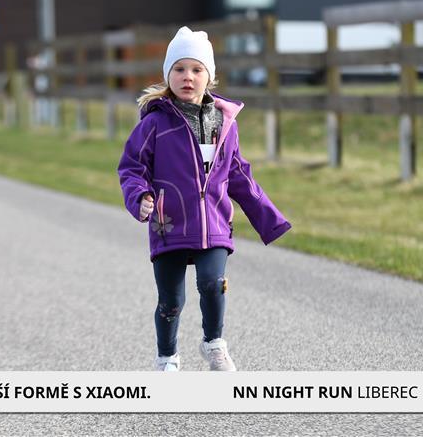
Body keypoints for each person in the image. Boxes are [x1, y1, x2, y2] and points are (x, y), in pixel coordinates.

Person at [118, 27, 292, 371]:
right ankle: (167, 358)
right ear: (168, 75)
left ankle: (214, 343)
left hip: (214, 223)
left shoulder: (224, 124)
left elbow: (239, 174)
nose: (188, 77)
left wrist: (268, 218)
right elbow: (132, 167)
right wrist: (139, 197)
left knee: (213, 284)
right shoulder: (155, 124)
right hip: (169, 224)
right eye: (179, 69)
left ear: (209, 76)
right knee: (171, 301)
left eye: (197, 69)